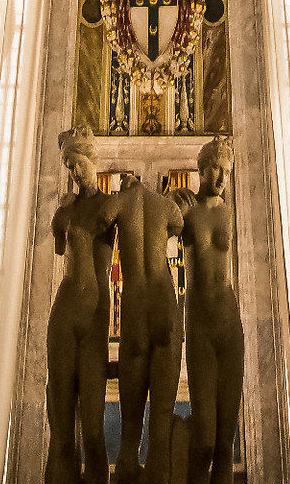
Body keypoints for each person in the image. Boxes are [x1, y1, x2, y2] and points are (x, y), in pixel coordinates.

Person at [46, 131, 115, 484]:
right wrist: (62, 211)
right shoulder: (65, 212)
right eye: (69, 167)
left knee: (92, 432)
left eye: (79, 164)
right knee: (60, 430)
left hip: (94, 317)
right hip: (65, 312)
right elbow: (59, 249)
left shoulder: (111, 206)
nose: (74, 172)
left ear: (93, 161)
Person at [175, 139, 242, 484]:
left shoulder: (230, 210)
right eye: (217, 169)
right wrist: (170, 203)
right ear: (202, 169)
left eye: (228, 172)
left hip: (230, 323)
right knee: (204, 439)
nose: (222, 179)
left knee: (225, 446)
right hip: (200, 325)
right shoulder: (186, 208)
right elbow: (157, 234)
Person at [113, 173, 183, 484]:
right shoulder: (165, 206)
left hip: (136, 303)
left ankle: (128, 460)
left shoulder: (118, 201)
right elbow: (179, 225)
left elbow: (100, 218)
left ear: (127, 182)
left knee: (130, 425)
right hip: (163, 299)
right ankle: (160, 466)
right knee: (163, 410)